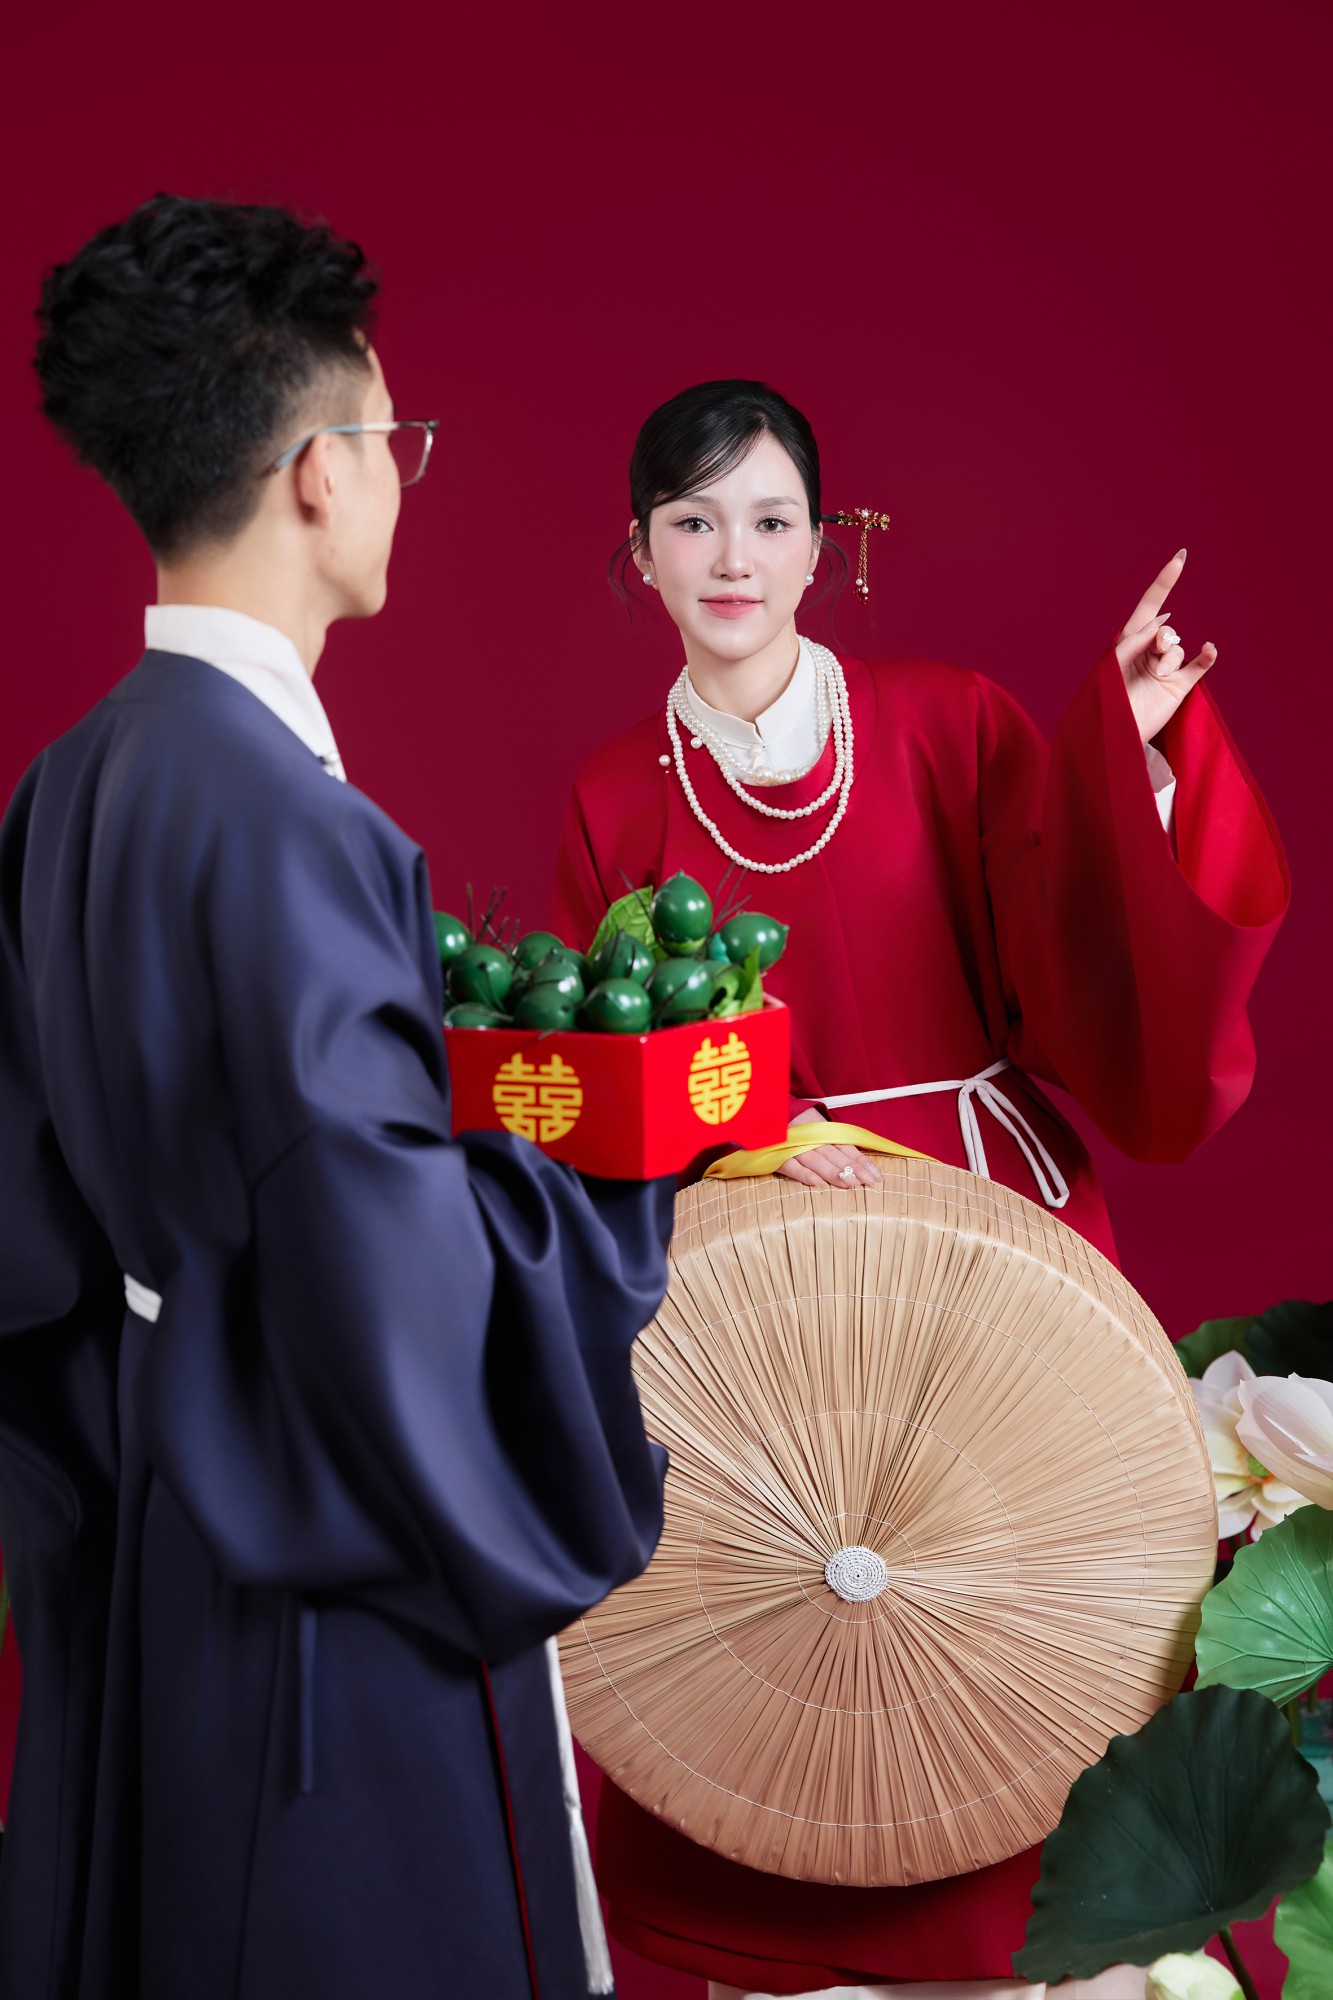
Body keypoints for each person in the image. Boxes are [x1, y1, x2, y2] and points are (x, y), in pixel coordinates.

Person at [0, 195, 676, 2000]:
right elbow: (382, 1268)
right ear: (318, 470)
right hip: (329, 1538)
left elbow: (33, 1226)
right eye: (393, 436)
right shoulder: (298, 828)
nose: (398, 476)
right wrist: (622, 1165)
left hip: (167, 1510)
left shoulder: (73, 781)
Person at [552, 380, 1290, 2000]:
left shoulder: (946, 720)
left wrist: (1135, 755)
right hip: (761, 1295)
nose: (731, 558)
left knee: (1032, 1668)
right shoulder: (613, 793)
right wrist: (755, 1150)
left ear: (825, 544)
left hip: (995, 1257)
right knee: (775, 1667)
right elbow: (610, 1076)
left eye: (767, 520)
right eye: (692, 522)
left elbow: (1074, 927)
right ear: (639, 551)